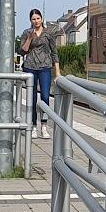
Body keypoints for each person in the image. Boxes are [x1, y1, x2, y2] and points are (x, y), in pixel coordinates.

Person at [20, 8, 62, 139]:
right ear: (30, 20)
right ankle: (32, 126)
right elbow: (22, 51)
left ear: (41, 18)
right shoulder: (26, 32)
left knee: (45, 96)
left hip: (45, 67)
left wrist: (58, 73)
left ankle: (43, 126)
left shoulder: (48, 33)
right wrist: (29, 38)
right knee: (31, 98)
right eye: (33, 19)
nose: (36, 21)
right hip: (30, 67)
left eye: (38, 18)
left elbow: (54, 52)